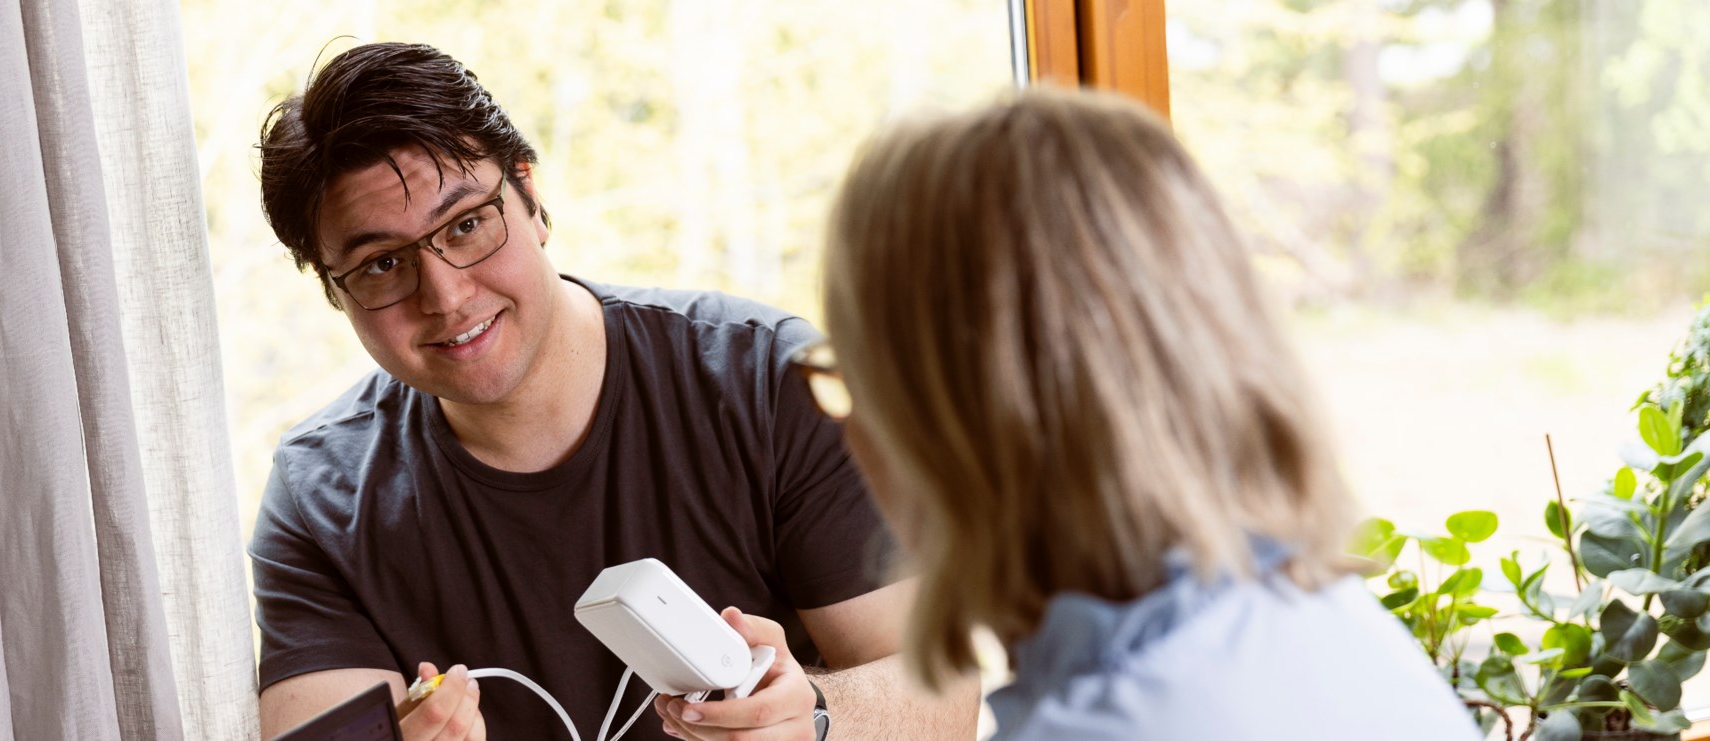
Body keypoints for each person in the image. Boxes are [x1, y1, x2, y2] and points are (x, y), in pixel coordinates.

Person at [248, 42, 977, 740]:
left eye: (467, 224)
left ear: (530, 196)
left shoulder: (769, 381)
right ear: (333, 292)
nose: (445, 295)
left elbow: (943, 695)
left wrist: (813, 717)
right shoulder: (320, 501)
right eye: (380, 265)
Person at [802, 88, 1486, 740]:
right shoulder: (1338, 632)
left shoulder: (1101, 721)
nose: (849, 427)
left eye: (849, 381)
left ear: (944, 425)